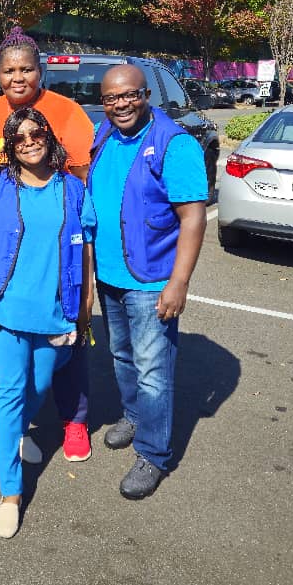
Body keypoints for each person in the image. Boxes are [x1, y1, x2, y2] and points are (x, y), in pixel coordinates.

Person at [0, 107, 95, 539]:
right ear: (10, 145)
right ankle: (11, 493)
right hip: (3, 307)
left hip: (55, 310)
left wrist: (86, 300)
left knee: (38, 387)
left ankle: (18, 434)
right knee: (10, 391)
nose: (29, 142)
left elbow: (85, 246)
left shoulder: (73, 189)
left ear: (48, 136)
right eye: (19, 138)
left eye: (36, 133)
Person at [0, 26, 95, 462]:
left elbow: (81, 183)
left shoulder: (67, 113)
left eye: (26, 69)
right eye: (9, 71)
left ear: (40, 71)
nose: (18, 78)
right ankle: (18, 424)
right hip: (6, 256)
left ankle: (74, 420)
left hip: (54, 249)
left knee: (68, 342)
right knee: (11, 355)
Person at [88, 64, 207, 499]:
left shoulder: (175, 143)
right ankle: (135, 415)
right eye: (111, 98)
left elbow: (193, 218)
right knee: (122, 355)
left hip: (151, 278)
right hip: (110, 276)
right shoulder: (103, 133)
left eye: (130, 95)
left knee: (154, 371)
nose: (121, 104)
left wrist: (179, 282)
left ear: (146, 95)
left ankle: (153, 453)